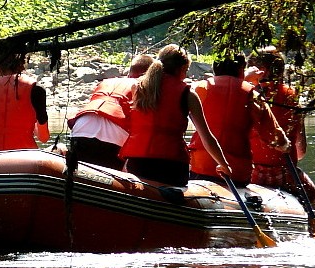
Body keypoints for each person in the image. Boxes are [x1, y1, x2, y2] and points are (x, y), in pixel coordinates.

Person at [119, 44, 231, 186]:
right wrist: (224, 164)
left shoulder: (138, 88)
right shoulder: (188, 95)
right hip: (171, 166)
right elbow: (206, 137)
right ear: (182, 69)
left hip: (137, 162)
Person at [188, 53, 287, 185]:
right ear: (241, 69)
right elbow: (274, 136)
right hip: (237, 171)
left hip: (200, 165)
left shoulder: (199, 88)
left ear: (214, 69)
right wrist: (285, 145)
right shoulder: (252, 94)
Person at [246, 46, 315, 198]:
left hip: (249, 172)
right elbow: (301, 151)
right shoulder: (291, 96)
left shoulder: (246, 93)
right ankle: (314, 220)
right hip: (283, 173)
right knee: (313, 195)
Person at [66, 54, 153, 169]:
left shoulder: (107, 82)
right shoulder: (143, 88)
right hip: (114, 137)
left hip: (80, 129)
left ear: (129, 72)